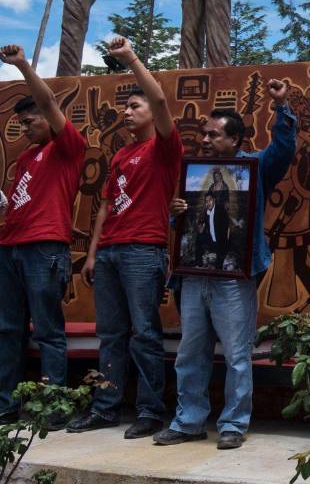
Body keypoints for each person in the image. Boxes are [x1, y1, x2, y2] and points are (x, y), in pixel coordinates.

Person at [154, 80, 296, 450]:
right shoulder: (195, 172)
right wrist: (177, 214)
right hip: (194, 274)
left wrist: (281, 108)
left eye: (214, 135)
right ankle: (188, 421)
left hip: (233, 276)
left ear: (234, 141)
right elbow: (184, 229)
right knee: (190, 352)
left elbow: (283, 148)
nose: (205, 140)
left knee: (236, 354)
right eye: (204, 133)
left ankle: (233, 422)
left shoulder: (252, 166)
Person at [68, 37, 183, 438]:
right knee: (111, 334)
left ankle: (150, 411)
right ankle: (106, 407)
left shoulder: (164, 149)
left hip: (143, 251)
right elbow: (103, 207)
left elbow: (163, 101)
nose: (126, 111)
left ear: (152, 113)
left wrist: (130, 57)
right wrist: (94, 253)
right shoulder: (120, 155)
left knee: (145, 333)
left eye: (135, 106)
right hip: (112, 253)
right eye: (125, 106)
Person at [0, 44, 88, 426]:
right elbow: (21, 204)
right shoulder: (23, 160)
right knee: (7, 329)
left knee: (49, 329)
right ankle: (8, 403)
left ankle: (53, 406)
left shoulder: (67, 147)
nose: (25, 128)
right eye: (20, 124)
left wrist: (21, 64)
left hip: (45, 248)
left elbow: (49, 100)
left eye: (31, 121)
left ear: (49, 121)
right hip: (10, 248)